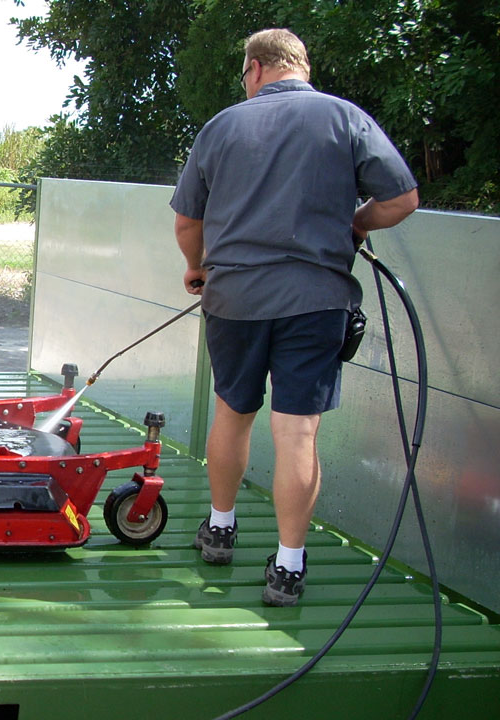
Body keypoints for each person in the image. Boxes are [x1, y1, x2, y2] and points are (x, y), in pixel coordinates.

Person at [170, 28, 419, 606]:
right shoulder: (344, 118)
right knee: (298, 431)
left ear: (256, 68)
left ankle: (221, 528)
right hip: (317, 300)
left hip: (234, 298)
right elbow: (402, 199)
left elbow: (187, 222)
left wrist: (196, 268)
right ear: (298, 68)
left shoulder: (223, 126)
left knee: (233, 413)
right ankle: (287, 566)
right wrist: (355, 225)